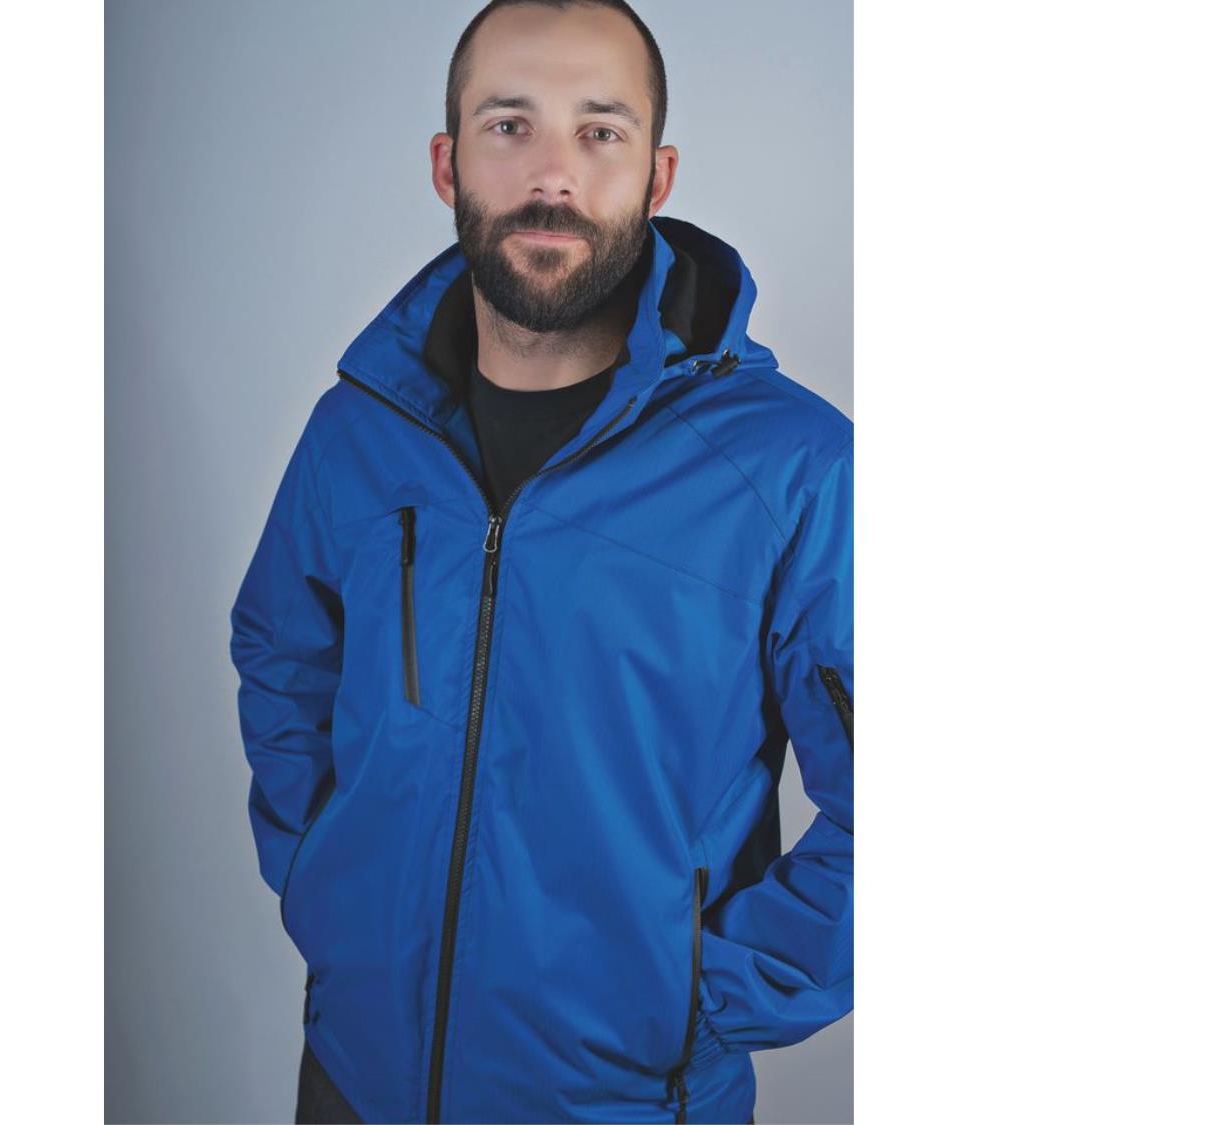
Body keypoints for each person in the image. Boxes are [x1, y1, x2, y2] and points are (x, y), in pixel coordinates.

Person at [229, 2, 851, 1121]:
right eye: (509, 125)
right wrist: (332, 888)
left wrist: (704, 1004)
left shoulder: (791, 468)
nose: (552, 174)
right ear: (447, 162)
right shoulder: (358, 433)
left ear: (658, 176)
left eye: (600, 132)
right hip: (354, 1078)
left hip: (622, 1101)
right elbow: (282, 655)